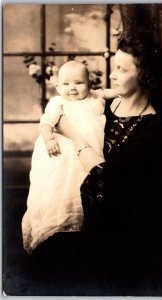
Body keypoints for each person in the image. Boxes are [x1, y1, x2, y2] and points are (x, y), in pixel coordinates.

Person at [30, 32, 162, 293]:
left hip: (117, 234)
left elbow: (104, 175)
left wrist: (70, 131)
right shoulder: (101, 106)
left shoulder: (152, 129)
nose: (112, 75)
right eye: (114, 67)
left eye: (121, 69)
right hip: (75, 214)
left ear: (143, 75)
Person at [22, 60, 119, 254]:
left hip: (86, 152)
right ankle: (58, 222)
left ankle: (79, 223)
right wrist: (49, 139)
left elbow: (107, 92)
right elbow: (46, 123)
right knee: (61, 184)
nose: (72, 88)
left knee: (81, 183)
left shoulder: (94, 97)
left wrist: (120, 91)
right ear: (57, 87)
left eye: (79, 83)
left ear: (90, 84)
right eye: (66, 84)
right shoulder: (58, 103)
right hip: (63, 153)